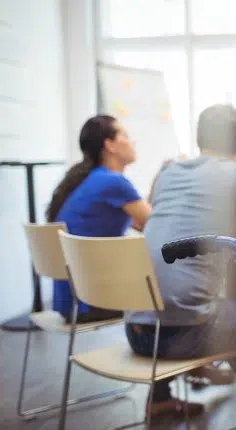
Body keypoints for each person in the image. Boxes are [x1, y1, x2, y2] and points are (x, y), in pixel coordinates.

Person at [124, 104, 236, 420]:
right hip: (180, 337)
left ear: (200, 137)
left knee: (208, 307)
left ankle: (159, 395)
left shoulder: (168, 173)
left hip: (136, 331)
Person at [46, 115, 151, 323]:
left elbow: (140, 223)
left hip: (70, 302)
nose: (132, 141)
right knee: (170, 294)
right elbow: (158, 223)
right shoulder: (113, 182)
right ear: (109, 145)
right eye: (125, 135)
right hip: (92, 302)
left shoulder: (89, 179)